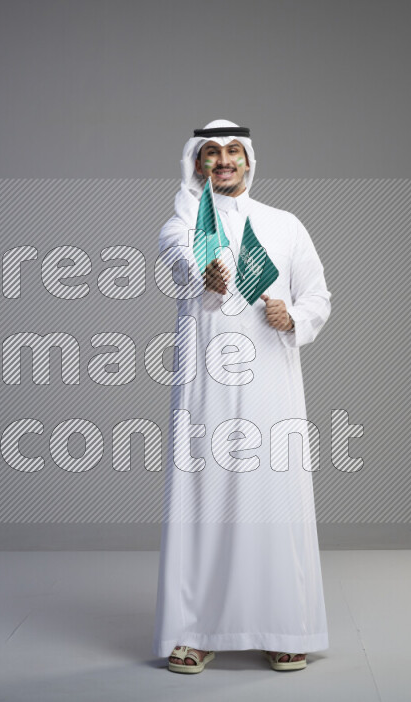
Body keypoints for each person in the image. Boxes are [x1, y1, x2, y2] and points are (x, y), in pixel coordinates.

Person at [152, 119, 332, 673]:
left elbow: (318, 295)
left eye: (234, 151)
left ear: (249, 161)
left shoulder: (284, 224)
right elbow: (180, 267)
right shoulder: (183, 225)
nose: (225, 160)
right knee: (205, 501)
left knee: (273, 499)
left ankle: (283, 627)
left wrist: (293, 315)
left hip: (271, 388)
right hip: (206, 387)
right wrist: (204, 276)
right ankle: (196, 631)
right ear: (197, 163)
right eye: (212, 152)